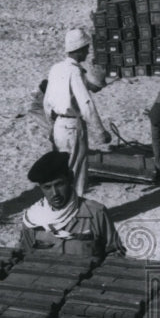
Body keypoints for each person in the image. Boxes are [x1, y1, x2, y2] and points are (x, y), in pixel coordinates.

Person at [19, 150, 124, 260]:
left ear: (70, 178)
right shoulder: (33, 219)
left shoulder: (96, 213)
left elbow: (115, 253)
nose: (55, 193)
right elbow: (24, 256)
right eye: (47, 187)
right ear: (40, 188)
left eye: (59, 184)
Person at [44, 27, 111, 196]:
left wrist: (51, 126)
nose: (88, 52)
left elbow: (47, 102)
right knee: (77, 171)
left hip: (58, 126)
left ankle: (64, 208)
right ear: (79, 49)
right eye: (86, 49)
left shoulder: (55, 68)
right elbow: (86, 104)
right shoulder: (75, 72)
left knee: (60, 171)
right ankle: (75, 210)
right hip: (73, 127)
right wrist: (100, 131)